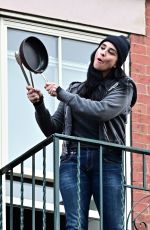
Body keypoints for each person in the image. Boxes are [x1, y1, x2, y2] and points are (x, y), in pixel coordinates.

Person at [26, 35, 137, 230]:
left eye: (111, 52)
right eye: (102, 47)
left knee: (114, 226)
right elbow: (52, 128)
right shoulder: (75, 89)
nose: (103, 52)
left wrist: (62, 93)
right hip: (72, 161)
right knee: (75, 225)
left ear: (116, 62)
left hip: (107, 162)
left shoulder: (124, 87)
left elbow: (101, 111)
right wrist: (39, 104)